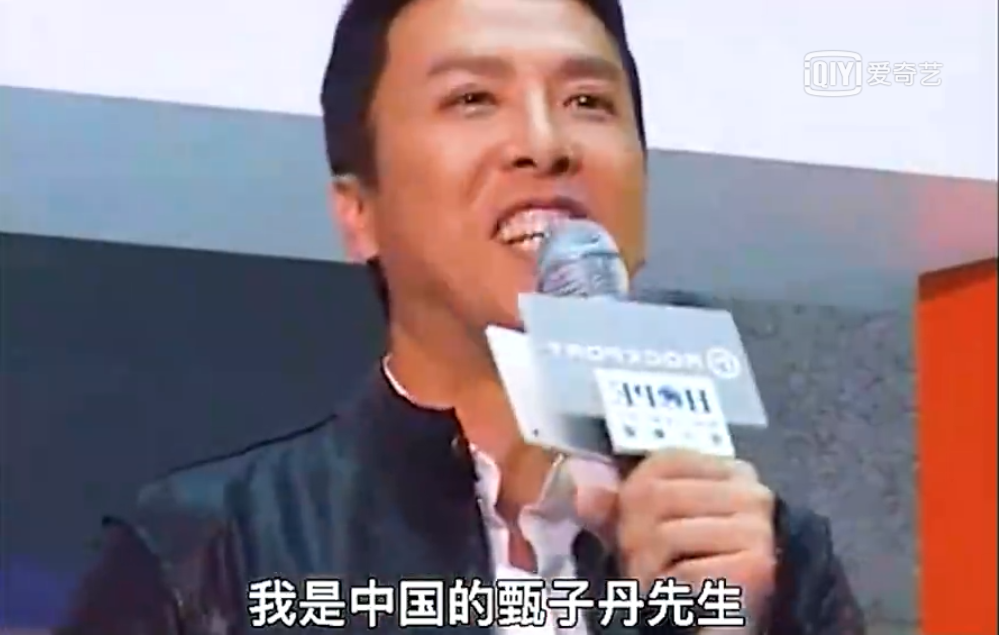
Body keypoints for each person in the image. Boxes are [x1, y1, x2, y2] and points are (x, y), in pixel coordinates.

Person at [56, 0, 866, 633]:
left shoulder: (774, 561)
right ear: (357, 211)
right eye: (473, 98)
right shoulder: (208, 547)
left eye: (586, 100)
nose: (545, 143)